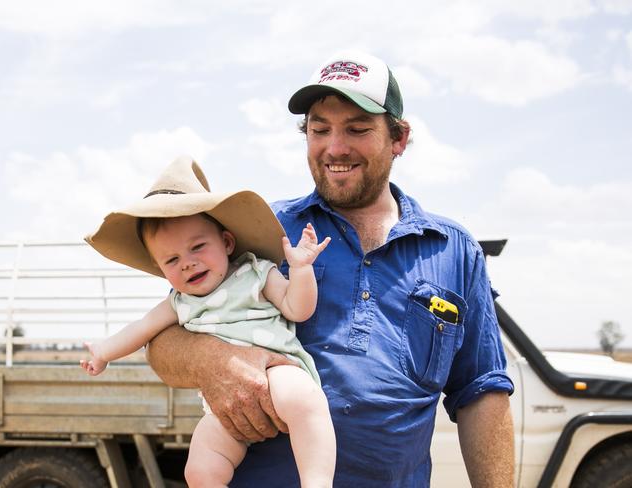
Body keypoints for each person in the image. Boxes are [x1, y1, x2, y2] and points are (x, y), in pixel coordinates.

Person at [147, 50, 515, 487]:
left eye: (357, 129)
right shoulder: (261, 230)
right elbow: (163, 341)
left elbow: (481, 391)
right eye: (319, 130)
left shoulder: (452, 250)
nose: (334, 148)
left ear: (398, 138)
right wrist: (214, 360)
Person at [81, 156, 336, 488]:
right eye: (172, 260)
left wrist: (301, 270)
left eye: (197, 247)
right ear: (162, 270)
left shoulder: (254, 272)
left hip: (279, 372)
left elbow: (297, 308)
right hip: (225, 405)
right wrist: (103, 352)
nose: (187, 264)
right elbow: (142, 329)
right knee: (199, 469)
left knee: (307, 402)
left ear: (227, 243)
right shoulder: (179, 302)